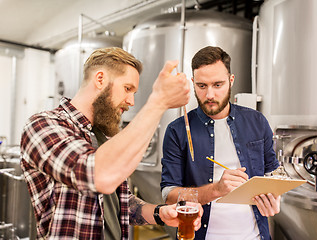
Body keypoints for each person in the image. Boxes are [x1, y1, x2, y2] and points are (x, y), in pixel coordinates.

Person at [20, 47, 202, 239]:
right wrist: (158, 102)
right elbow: (99, 175)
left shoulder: (103, 136)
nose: (131, 101)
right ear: (100, 79)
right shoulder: (43, 125)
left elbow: (123, 203)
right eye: (127, 88)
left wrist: (160, 213)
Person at [160, 46, 281, 240]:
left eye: (218, 85)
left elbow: (273, 174)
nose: (209, 95)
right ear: (193, 83)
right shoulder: (178, 130)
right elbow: (169, 194)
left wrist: (274, 197)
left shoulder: (257, 121)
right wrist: (217, 190)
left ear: (231, 81)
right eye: (201, 86)